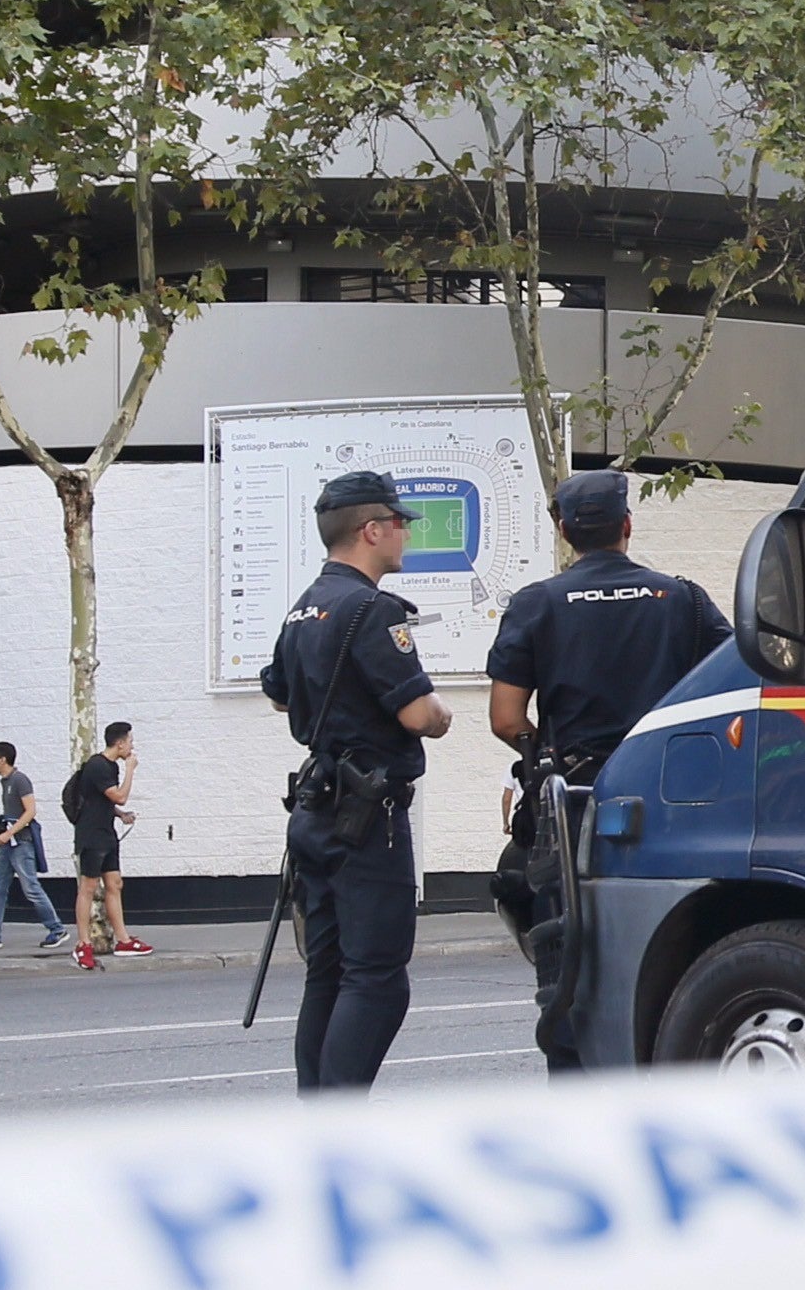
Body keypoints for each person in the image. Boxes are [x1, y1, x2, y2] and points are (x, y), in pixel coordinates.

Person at [484, 467, 729, 1066]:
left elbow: (505, 716)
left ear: (566, 531)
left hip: (572, 813)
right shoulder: (682, 599)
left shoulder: (535, 604)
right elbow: (730, 683)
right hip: (668, 805)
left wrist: (546, 750)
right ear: (627, 524)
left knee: (566, 974)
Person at [265, 470, 452, 1090]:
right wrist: (442, 714)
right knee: (375, 980)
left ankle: (315, 1112)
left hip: (317, 813)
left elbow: (278, 693)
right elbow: (418, 713)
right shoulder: (374, 610)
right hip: (368, 820)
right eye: (400, 523)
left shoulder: (304, 608)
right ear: (372, 530)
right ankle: (340, 1123)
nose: (405, 533)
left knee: (328, 971)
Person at [0, 742, 66, 948]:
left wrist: (9, 832)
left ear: (3, 759)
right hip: (8, 843)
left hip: (21, 843)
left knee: (31, 887)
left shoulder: (19, 780)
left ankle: (56, 928)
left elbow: (30, 811)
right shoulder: (6, 782)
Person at [62, 726, 136, 968]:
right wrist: (130, 771)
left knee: (115, 884)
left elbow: (104, 799)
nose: (132, 747)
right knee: (89, 887)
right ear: (120, 744)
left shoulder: (109, 767)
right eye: (130, 742)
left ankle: (123, 940)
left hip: (107, 833)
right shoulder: (98, 766)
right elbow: (119, 795)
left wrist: (120, 815)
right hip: (91, 835)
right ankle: (83, 943)